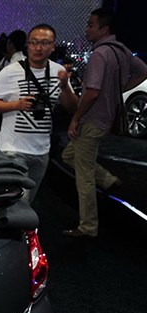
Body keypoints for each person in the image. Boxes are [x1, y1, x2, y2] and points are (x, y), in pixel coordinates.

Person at [61, 8, 147, 237]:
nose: (86, 29)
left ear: (104, 28)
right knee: (69, 156)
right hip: (106, 118)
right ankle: (108, 180)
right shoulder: (121, 50)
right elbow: (143, 71)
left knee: (84, 176)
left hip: (91, 119)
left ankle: (88, 227)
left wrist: (75, 118)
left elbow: (92, 92)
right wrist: (119, 90)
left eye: (91, 25)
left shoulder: (100, 54)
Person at [0, 24, 79, 204]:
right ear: (28, 44)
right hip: (13, 149)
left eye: (44, 43)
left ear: (53, 46)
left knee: (28, 201)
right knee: (19, 201)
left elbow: (72, 107)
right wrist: (16, 105)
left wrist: (65, 87)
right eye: (34, 42)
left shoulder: (58, 72)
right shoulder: (10, 71)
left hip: (42, 150)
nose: (38, 47)